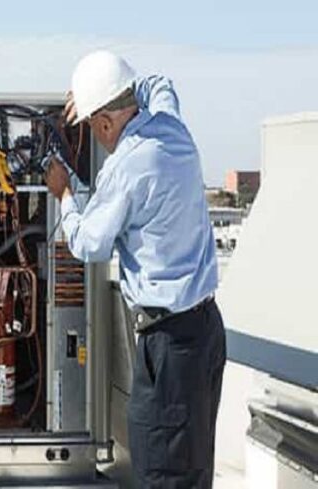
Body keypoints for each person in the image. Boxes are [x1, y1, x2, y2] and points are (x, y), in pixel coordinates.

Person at [45, 51, 226, 488]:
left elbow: (88, 242)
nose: (94, 134)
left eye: (91, 124)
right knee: (194, 462)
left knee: (161, 470)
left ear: (106, 122)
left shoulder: (125, 168)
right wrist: (98, 90)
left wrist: (63, 193)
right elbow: (158, 82)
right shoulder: (171, 128)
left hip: (168, 346)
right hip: (204, 332)